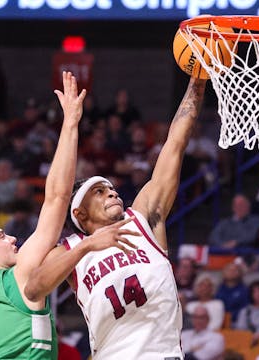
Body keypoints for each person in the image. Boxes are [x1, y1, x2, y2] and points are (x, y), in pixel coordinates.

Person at [0, 72, 136, 359]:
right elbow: (56, 198)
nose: (13, 237)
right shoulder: (14, 278)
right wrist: (70, 125)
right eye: (1, 236)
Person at [33, 77, 208, 359]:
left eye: (112, 189)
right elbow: (35, 287)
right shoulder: (71, 250)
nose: (112, 194)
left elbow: (175, 143)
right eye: (99, 192)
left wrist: (197, 83)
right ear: (79, 213)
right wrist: (87, 246)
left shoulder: (142, 220)